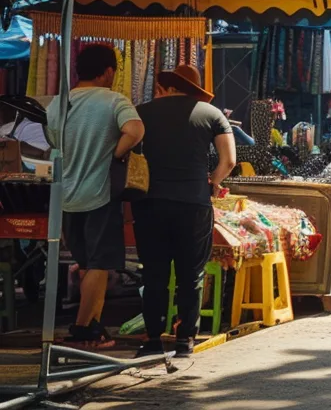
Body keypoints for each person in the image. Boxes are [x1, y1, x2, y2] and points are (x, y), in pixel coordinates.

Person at [47, 44, 144, 348]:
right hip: (100, 195)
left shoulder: (58, 104)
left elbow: (51, 142)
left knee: (86, 263)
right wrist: (114, 155)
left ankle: (94, 327)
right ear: (108, 71)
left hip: (66, 196)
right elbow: (135, 130)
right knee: (99, 264)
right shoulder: (114, 100)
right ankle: (83, 329)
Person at [132, 64, 232, 357]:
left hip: (150, 203)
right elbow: (228, 160)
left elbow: (127, 147)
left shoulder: (142, 112)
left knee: (154, 274)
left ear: (168, 86)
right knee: (191, 275)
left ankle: (151, 340)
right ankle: (185, 340)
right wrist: (213, 182)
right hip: (194, 204)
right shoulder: (211, 114)